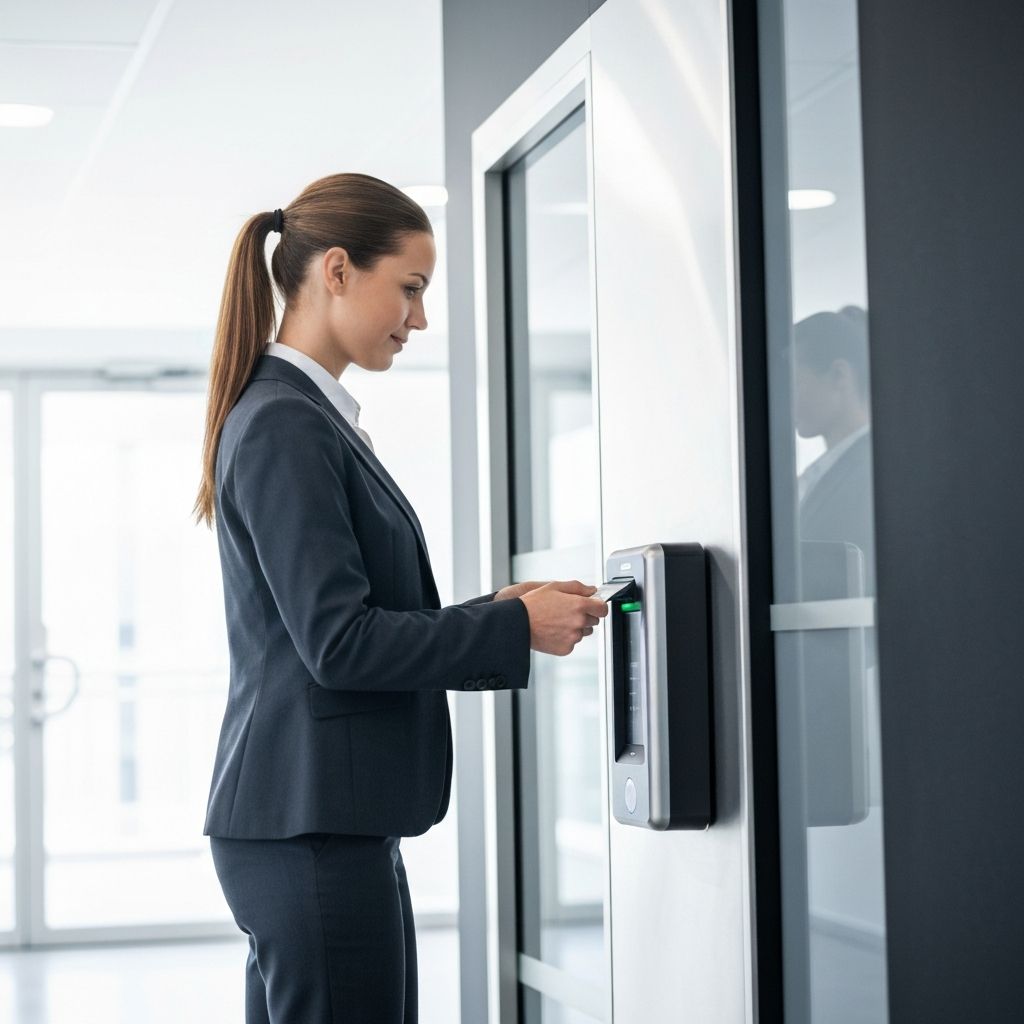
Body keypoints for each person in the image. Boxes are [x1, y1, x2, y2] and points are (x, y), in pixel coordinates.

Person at [192, 172, 608, 1024]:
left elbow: (338, 623)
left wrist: (500, 609)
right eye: (410, 289)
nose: (418, 319)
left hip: (318, 822)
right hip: (308, 827)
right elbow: (339, 647)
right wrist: (508, 628)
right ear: (337, 271)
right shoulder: (285, 422)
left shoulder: (304, 416)